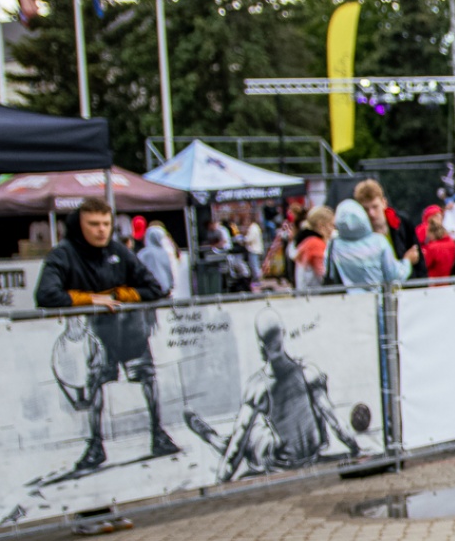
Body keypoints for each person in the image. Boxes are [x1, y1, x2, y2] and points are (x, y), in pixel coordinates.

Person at [35, 196, 175, 473]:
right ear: (80, 225)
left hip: (130, 331)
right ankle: (95, 445)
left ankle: (158, 435)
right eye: (93, 224)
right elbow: (45, 294)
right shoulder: (63, 254)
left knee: (147, 377)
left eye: (106, 224)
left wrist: (120, 295)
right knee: (96, 385)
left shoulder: (118, 251)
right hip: (94, 334)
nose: (101, 230)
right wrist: (88, 299)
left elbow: (154, 288)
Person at [188, 310, 364, 479]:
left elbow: (236, 447)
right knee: (256, 434)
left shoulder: (258, 388)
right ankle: (210, 435)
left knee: (248, 438)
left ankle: (210, 436)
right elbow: (335, 421)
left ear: (260, 345)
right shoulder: (308, 373)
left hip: (281, 461)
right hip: (305, 455)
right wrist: (357, 449)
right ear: (283, 333)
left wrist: (221, 480)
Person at [324, 199, 407, 288]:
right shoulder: (379, 242)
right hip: (375, 294)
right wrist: (407, 262)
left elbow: (327, 271)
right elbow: (394, 276)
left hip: (344, 295)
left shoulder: (333, 245)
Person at [291, 207, 335, 291]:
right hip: (315, 294)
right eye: (331, 225)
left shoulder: (307, 241)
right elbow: (324, 275)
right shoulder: (316, 244)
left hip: (306, 293)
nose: (333, 229)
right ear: (321, 226)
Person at [138, 221, 181, 298]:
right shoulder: (165, 253)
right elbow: (169, 270)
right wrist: (171, 285)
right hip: (165, 289)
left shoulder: (143, 253)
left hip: (150, 289)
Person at [417, 209, 455, 279]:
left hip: (432, 281)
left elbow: (423, 264)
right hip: (448, 280)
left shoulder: (432, 248)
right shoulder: (452, 243)